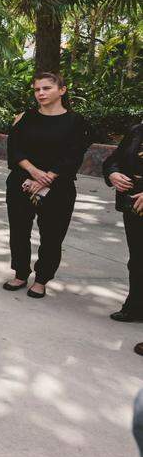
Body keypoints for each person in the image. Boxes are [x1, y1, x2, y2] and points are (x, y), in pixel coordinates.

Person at [3, 72, 92, 299]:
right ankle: (21, 273)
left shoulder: (76, 121)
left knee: (52, 236)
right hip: (21, 182)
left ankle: (42, 279)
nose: (40, 93)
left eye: (46, 88)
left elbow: (74, 154)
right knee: (19, 231)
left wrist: (49, 176)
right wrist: (34, 172)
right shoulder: (24, 118)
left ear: (61, 90)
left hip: (59, 187)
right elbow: (14, 149)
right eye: (36, 89)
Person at [103, 116, 143, 324]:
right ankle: (135, 308)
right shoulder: (137, 130)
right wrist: (113, 174)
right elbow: (114, 159)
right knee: (137, 260)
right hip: (134, 207)